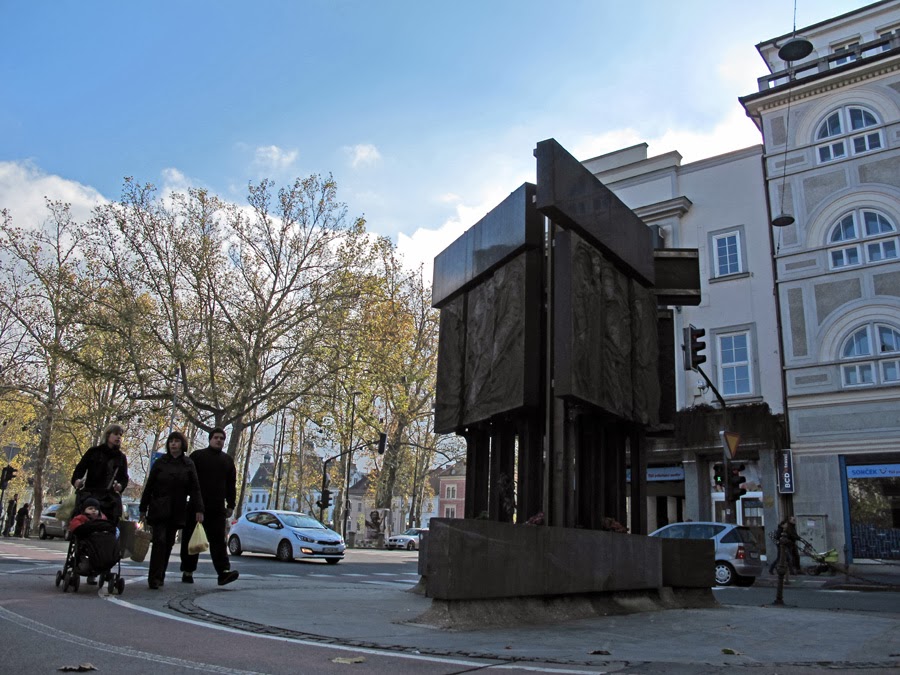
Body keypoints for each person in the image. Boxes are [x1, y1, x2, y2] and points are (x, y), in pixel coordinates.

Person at [140, 431, 204, 590]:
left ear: (182, 444)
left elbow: (195, 488)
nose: (173, 444)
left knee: (168, 543)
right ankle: (154, 577)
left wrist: (199, 509)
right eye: (171, 442)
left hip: (177, 508)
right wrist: (143, 507)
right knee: (159, 541)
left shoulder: (188, 464)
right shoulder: (161, 462)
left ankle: (160, 575)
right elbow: (149, 486)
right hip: (159, 507)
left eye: (176, 441)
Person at [71, 423, 129, 583]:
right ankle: (85, 562)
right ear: (108, 435)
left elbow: (124, 478)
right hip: (92, 494)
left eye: (121, 435)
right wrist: (77, 481)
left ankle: (105, 564)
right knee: (87, 522)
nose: (118, 437)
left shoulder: (121, 458)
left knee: (110, 527)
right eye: (116, 434)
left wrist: (120, 486)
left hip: (109, 498)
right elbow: (79, 469)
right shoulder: (94, 452)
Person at [180, 427, 238, 586]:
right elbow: (189, 480)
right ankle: (188, 571)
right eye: (216, 437)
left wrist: (231, 504)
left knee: (219, 542)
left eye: (222, 438)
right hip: (196, 506)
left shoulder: (227, 461)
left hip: (217, 508)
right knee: (192, 541)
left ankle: (223, 572)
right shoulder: (197, 457)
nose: (219, 440)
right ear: (210, 439)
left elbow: (231, 485)